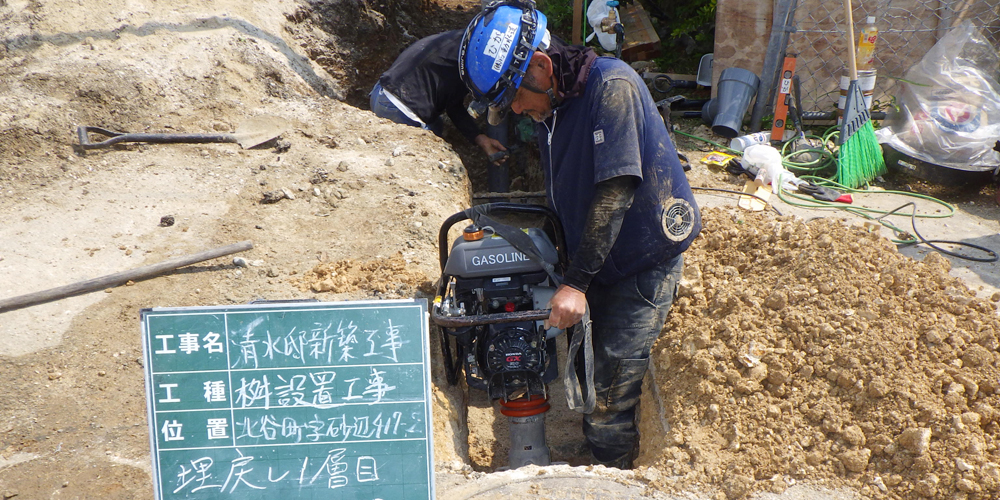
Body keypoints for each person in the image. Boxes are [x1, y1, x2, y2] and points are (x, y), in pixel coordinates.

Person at [459, 1, 702, 469]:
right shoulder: (553, 107)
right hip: (595, 260)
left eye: (514, 96)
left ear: (543, 66)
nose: (515, 109)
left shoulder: (611, 88)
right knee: (586, 379)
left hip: (639, 261)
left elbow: (614, 195)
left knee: (607, 404)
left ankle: (613, 474)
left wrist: (574, 285)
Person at [371, 30, 506, 161]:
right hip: (400, 109)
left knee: (436, 126)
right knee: (430, 161)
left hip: (381, 94)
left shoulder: (462, 41)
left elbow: (453, 104)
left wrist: (479, 138)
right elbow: (454, 106)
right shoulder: (471, 64)